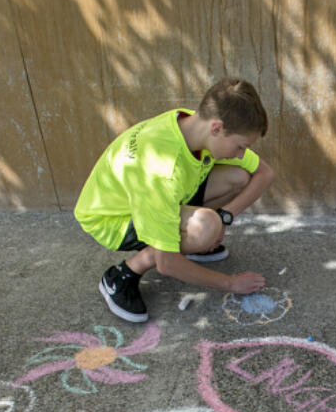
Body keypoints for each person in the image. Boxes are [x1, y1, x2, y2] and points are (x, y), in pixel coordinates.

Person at [74, 77, 276, 322]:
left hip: (158, 197)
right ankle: (122, 275)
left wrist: (225, 216)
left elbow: (265, 173)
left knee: (237, 177)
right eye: (240, 146)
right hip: (112, 219)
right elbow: (167, 264)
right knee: (205, 228)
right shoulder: (162, 171)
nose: (242, 153)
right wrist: (231, 283)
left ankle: (188, 241)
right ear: (217, 128)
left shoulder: (192, 123)